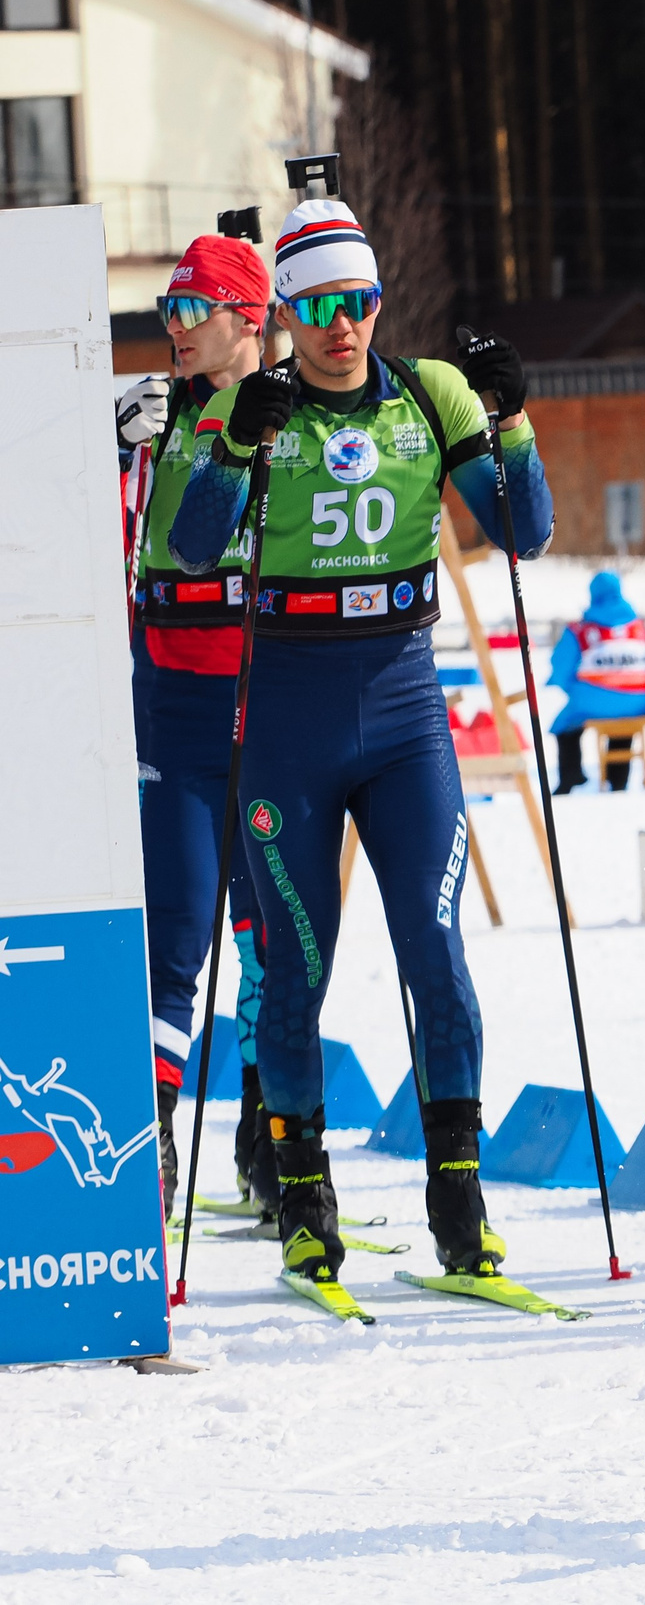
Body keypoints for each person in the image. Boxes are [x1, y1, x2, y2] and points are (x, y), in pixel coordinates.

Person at [172, 196, 550, 1288]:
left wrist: (513, 421)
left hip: (402, 709)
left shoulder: (428, 394)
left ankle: (458, 1200)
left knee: (437, 954)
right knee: (294, 965)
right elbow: (197, 551)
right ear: (285, 309)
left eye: (362, 301)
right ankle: (302, 1200)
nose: (344, 325)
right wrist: (231, 447)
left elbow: (523, 530)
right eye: (321, 305)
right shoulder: (257, 400)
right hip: (289, 708)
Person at [118, 229, 275, 1215]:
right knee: (177, 930)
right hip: (171, 701)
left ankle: (269, 1138)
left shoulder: (296, 410)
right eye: (167, 310)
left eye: (191, 310)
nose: (171, 327)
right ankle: (159, 1134)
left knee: (271, 940)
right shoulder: (151, 408)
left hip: (271, 702)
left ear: (245, 318)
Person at [547, 570, 645, 792]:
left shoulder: (580, 630)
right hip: (643, 700)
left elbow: (560, 669)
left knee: (565, 724)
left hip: (593, 700)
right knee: (625, 718)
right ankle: (619, 780)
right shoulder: (640, 625)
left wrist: (573, 689)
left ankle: (571, 776)